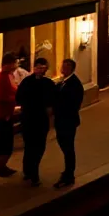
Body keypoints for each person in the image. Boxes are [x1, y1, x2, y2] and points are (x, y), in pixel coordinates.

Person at [15, 57, 55, 186]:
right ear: (34, 68)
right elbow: (18, 98)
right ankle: (32, 173)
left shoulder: (48, 83)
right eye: (38, 68)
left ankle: (29, 171)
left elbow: (52, 102)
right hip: (29, 119)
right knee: (31, 147)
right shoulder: (26, 82)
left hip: (41, 120)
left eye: (43, 68)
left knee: (38, 147)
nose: (40, 71)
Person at [54, 58, 84, 189]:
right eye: (62, 65)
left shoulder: (74, 84)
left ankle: (69, 175)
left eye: (66, 66)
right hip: (61, 121)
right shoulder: (63, 82)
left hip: (68, 121)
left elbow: (72, 104)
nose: (63, 68)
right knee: (64, 145)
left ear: (71, 68)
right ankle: (67, 171)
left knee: (68, 148)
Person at [0, 52, 19, 178]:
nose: (16, 66)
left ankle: (3, 165)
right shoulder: (0, 78)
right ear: (8, 64)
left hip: (8, 114)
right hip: (2, 116)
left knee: (7, 143)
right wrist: (15, 99)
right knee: (3, 143)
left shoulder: (9, 76)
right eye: (15, 63)